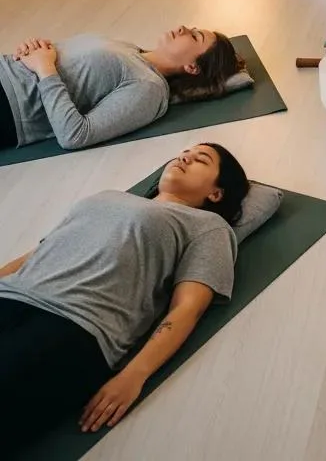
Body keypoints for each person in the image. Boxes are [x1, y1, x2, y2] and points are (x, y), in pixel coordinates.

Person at [0, 142, 248, 452]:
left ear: (216, 193)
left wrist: (134, 375)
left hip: (78, 324)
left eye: (200, 159)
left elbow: (189, 307)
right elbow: (37, 253)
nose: (184, 156)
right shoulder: (109, 197)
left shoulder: (209, 227)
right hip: (12, 294)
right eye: (183, 151)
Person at [0, 24, 244, 151]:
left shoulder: (149, 89)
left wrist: (44, 68)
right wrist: (35, 48)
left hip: (9, 106)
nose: (182, 27)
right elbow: (60, 57)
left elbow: (75, 135)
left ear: (192, 67)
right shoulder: (131, 49)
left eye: (193, 36)